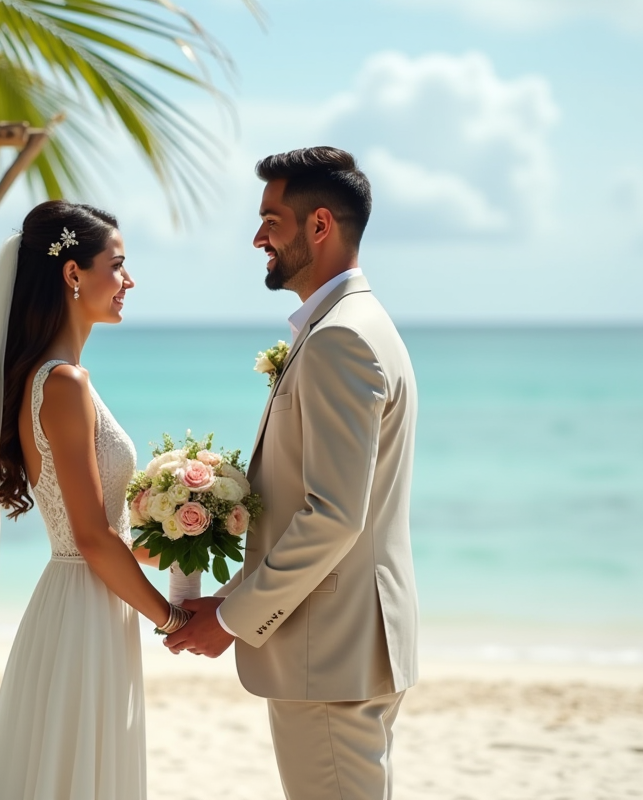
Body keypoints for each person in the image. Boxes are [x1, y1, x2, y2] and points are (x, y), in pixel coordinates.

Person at [0, 200, 189, 800]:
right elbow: (93, 540)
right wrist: (172, 619)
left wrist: (178, 543)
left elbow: (104, 536)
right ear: (73, 274)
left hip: (84, 602)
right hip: (84, 613)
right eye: (117, 265)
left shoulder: (54, 378)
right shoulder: (63, 384)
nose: (129, 281)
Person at [166, 146, 421, 800]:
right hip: (345, 650)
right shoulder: (354, 327)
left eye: (271, 221)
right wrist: (227, 599)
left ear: (320, 226)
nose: (258, 238)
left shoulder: (342, 338)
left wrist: (231, 621)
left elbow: (334, 515)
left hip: (328, 657)